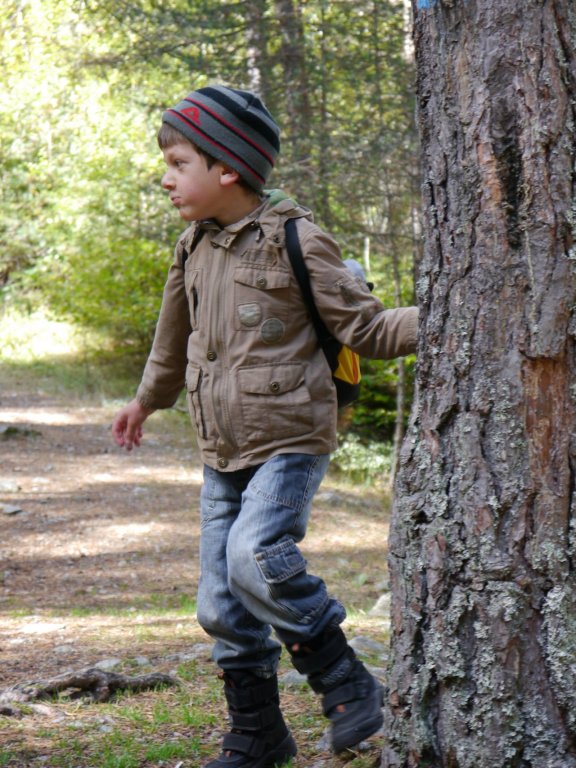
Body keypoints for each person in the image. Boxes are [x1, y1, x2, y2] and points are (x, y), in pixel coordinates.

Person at [112, 84, 418, 768]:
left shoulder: (296, 238)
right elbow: (171, 340)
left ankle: (344, 678)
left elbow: (366, 329)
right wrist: (144, 402)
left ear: (227, 167)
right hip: (221, 450)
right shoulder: (192, 247)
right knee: (220, 605)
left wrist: (449, 312)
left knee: (255, 556)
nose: (166, 179)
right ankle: (257, 734)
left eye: (178, 163)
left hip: (290, 439)